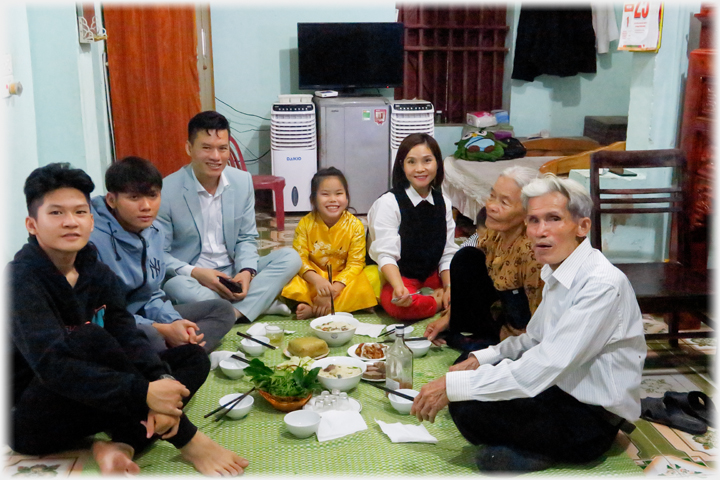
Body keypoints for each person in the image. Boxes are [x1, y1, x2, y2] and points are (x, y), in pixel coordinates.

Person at [9, 163, 248, 476]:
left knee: (192, 358)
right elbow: (54, 367)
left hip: (91, 397)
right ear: (32, 224)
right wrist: (143, 393)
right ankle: (184, 437)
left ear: (91, 219)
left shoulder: (94, 271)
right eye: (56, 213)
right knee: (90, 337)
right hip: (31, 418)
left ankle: (122, 444)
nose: (70, 222)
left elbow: (126, 333)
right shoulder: (20, 280)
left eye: (80, 212)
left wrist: (158, 380)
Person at [411, 174, 647, 473]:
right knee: (466, 369)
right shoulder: (558, 270)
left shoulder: (601, 285)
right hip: (560, 387)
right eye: (534, 221)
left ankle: (545, 451)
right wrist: (479, 359)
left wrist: (454, 386)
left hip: (591, 417)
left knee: (466, 403)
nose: (540, 231)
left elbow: (545, 365)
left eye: (553, 219)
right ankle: (526, 444)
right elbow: (533, 340)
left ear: (582, 226)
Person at [157, 111, 301, 323]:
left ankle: (230, 313)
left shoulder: (241, 182)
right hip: (196, 277)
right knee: (175, 286)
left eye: (222, 148)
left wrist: (247, 271)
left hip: (233, 270)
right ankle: (257, 305)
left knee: (290, 257)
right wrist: (197, 272)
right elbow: (160, 253)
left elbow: (246, 238)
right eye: (206, 147)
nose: (216, 157)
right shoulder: (167, 190)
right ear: (189, 148)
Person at [90, 156, 236, 353]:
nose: (146, 206)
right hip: (112, 323)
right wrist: (161, 329)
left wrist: (175, 322)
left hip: (146, 316)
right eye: (134, 198)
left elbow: (152, 295)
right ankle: (177, 358)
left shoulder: (155, 231)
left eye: (153, 196)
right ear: (112, 200)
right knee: (151, 337)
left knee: (223, 310)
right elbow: (101, 313)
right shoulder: (93, 241)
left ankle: (180, 351)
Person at [424, 167, 544, 351]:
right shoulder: (494, 234)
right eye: (492, 196)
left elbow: (540, 325)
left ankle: (488, 341)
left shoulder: (532, 253)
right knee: (466, 258)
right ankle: (474, 332)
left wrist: (500, 352)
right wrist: (449, 318)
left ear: (528, 211)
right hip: (499, 315)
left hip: (522, 335)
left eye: (504, 202)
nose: (491, 206)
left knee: (469, 372)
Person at [367, 133, 458, 322]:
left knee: (471, 288)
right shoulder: (389, 203)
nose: (420, 169)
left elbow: (447, 252)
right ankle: (437, 302)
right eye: (411, 162)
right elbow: (385, 255)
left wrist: (449, 288)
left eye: (427, 161)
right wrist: (399, 289)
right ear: (402, 165)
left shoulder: (444, 203)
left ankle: (441, 299)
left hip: (432, 274)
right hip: (400, 275)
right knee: (399, 305)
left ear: (438, 164)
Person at [281, 167, 377, 319]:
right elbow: (300, 259)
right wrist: (317, 281)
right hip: (313, 277)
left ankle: (313, 309)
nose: (333, 199)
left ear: (347, 197)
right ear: (313, 199)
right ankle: (329, 307)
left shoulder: (355, 225)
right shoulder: (305, 224)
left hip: (342, 279)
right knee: (290, 280)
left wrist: (334, 289)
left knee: (365, 285)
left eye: (339, 193)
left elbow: (356, 264)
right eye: (325, 194)